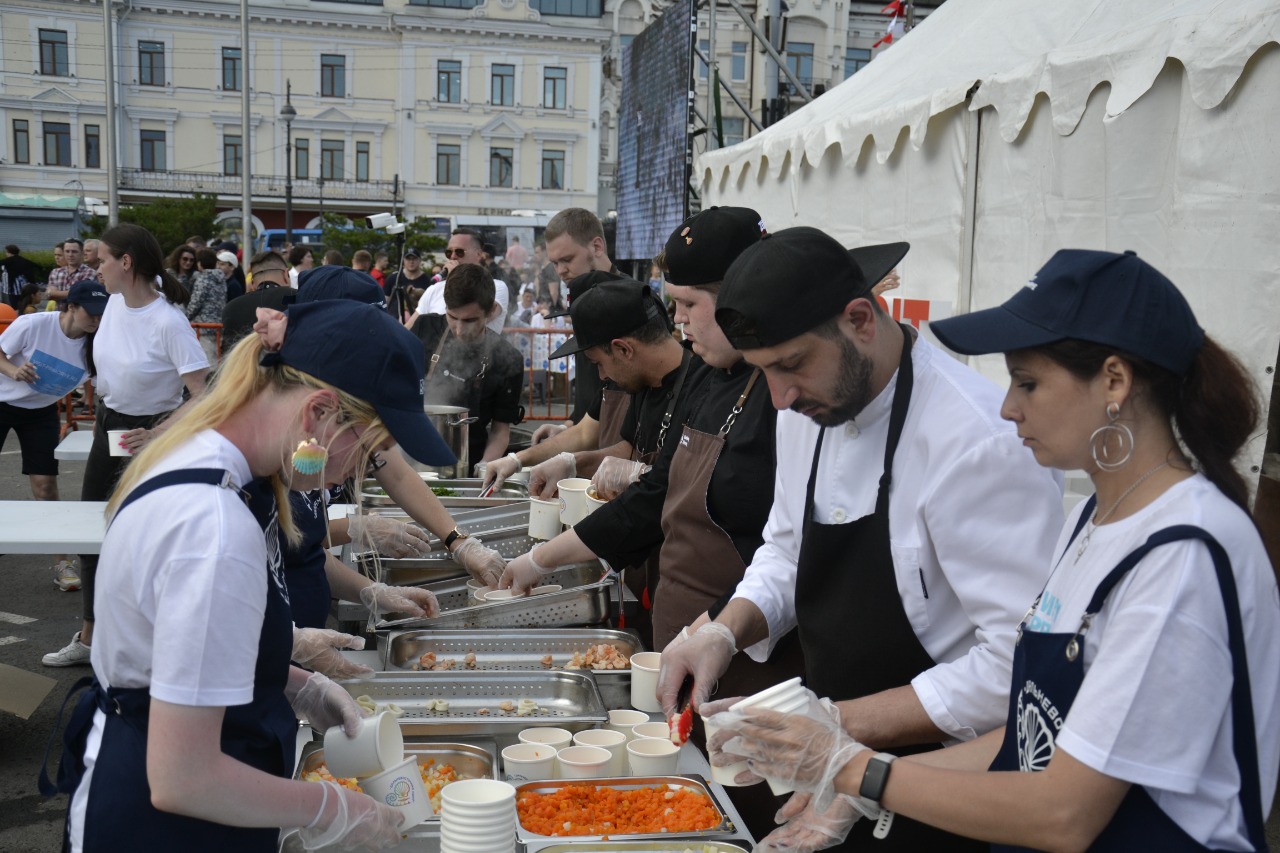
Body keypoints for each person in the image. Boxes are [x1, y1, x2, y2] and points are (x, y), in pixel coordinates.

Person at [709, 249, 1280, 852]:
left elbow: (1065, 812)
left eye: (1028, 382)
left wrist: (855, 767)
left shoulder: (1180, 551)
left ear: (1114, 380)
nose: (1008, 408)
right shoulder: (1093, 521)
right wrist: (856, 784)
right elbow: (1032, 736)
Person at [658, 226, 1064, 851]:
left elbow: (1017, 663)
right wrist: (723, 629)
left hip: (949, 782)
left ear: (860, 320)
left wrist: (838, 730)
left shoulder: (977, 442)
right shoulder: (806, 409)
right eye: (763, 372)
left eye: (791, 365)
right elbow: (787, 549)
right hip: (835, 771)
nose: (781, 397)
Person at [42, 299, 441, 852]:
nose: (357, 472)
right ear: (318, 414)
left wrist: (294, 681)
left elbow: (175, 650)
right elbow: (186, 778)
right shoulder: (213, 527)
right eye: (369, 451)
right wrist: (335, 807)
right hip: (166, 827)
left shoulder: (220, 470)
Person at [282, 266, 507, 638]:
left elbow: (394, 470)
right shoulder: (268, 449)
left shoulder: (335, 406)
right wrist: (353, 528)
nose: (358, 472)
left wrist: (458, 541)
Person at [43, 224, 209, 668]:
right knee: (95, 535)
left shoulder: (168, 321)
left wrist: (157, 434)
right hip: (109, 429)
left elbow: (204, 394)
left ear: (127, 262)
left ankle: (155, 644)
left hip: (151, 436)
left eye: (102, 261)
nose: (96, 268)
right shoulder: (114, 305)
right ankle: (91, 637)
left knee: (149, 542)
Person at [0, 279, 108, 591]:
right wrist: (13, 372)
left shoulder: (98, 343)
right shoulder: (33, 324)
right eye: (92, 313)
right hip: (2, 401)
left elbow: (106, 387)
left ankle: (61, 561)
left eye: (103, 315)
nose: (98, 320)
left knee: (46, 486)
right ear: (71, 307)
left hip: (42, 412)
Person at [409, 264, 524, 472]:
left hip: (469, 463)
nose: (460, 330)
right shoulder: (423, 328)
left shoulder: (509, 359)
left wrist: (484, 467)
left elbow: (500, 430)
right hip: (413, 459)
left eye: (470, 320)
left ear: (491, 312)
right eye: (452, 317)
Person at [412, 228, 510, 334]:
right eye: (449, 252)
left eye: (459, 252)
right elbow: (409, 329)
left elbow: (474, 319)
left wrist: (457, 276)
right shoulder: (434, 290)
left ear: (478, 254)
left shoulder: (496, 287)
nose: (453, 256)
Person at [222, 251, 294, 349]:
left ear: (252, 283)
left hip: (242, 363)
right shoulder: (299, 298)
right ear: (286, 274)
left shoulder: (230, 308)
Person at [187, 249, 229, 366]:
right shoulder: (221, 278)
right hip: (218, 324)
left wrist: (185, 317)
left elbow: (196, 302)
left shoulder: (203, 279)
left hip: (204, 326)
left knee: (207, 361)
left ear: (199, 263)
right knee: (216, 358)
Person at [383, 246, 429, 324]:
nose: (411, 262)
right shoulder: (394, 278)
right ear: (403, 260)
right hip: (394, 322)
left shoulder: (427, 280)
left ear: (419, 260)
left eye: (414, 258)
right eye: (408, 259)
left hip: (419, 323)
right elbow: (385, 301)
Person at [47, 239, 97, 307]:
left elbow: (82, 294)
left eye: (74, 252)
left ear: (82, 253)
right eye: (67, 251)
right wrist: (73, 294)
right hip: (59, 315)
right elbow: (49, 296)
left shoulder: (90, 272)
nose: (70, 255)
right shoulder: (55, 272)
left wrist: (56, 293)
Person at [1, 244, 42, 308]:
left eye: (6, 252)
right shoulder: (24, 261)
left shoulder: (6, 262)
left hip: (9, 290)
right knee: (22, 307)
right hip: (23, 290)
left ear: (9, 252)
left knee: (11, 307)